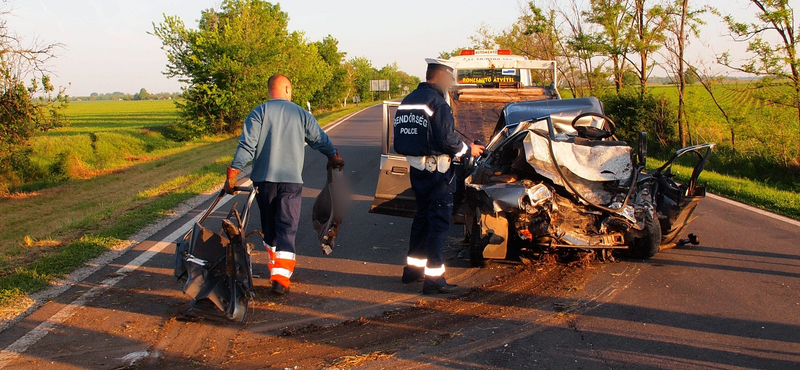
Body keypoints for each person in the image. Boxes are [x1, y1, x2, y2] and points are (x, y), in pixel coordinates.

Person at [225, 73, 344, 295]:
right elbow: (318, 139)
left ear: (269, 90)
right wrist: (332, 155)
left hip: (263, 181)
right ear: (288, 90)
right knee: (287, 227)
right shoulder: (300, 113)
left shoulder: (258, 112)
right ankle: (280, 278)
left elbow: (246, 145)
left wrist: (233, 172)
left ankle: (276, 268)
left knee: (270, 227)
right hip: (291, 181)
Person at [393, 59, 484, 294]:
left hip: (418, 171)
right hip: (439, 173)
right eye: (449, 79)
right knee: (439, 224)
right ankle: (434, 280)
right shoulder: (438, 103)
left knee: (422, 219)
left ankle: (412, 271)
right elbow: (446, 140)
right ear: (441, 76)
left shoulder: (408, 100)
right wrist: (468, 150)